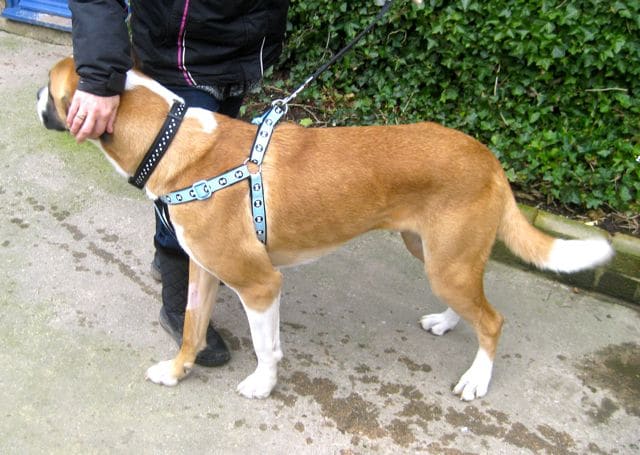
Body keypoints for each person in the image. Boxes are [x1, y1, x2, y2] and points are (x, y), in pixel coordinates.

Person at [66, 0, 290, 366]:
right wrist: (99, 76)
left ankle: (190, 258)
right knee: (181, 187)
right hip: (177, 52)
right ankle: (177, 302)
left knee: (215, 191)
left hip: (242, 53)